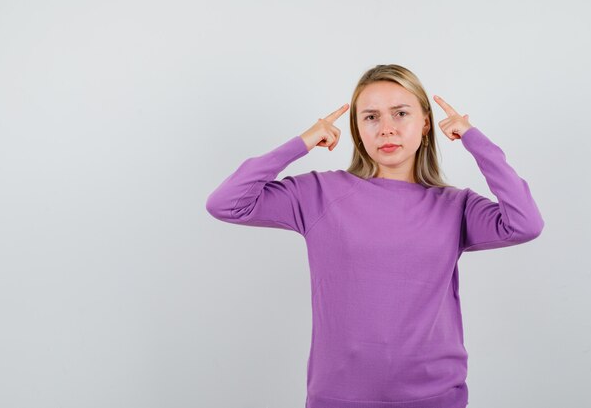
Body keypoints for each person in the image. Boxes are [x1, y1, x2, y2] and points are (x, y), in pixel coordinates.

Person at [205, 64, 544, 408]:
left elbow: (525, 223)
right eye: (370, 117)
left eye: (400, 113)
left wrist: (475, 140)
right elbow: (227, 203)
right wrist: (304, 142)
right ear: (357, 128)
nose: (386, 129)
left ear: (425, 123)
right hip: (338, 397)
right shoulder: (319, 193)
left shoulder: (456, 206)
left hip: (436, 396)